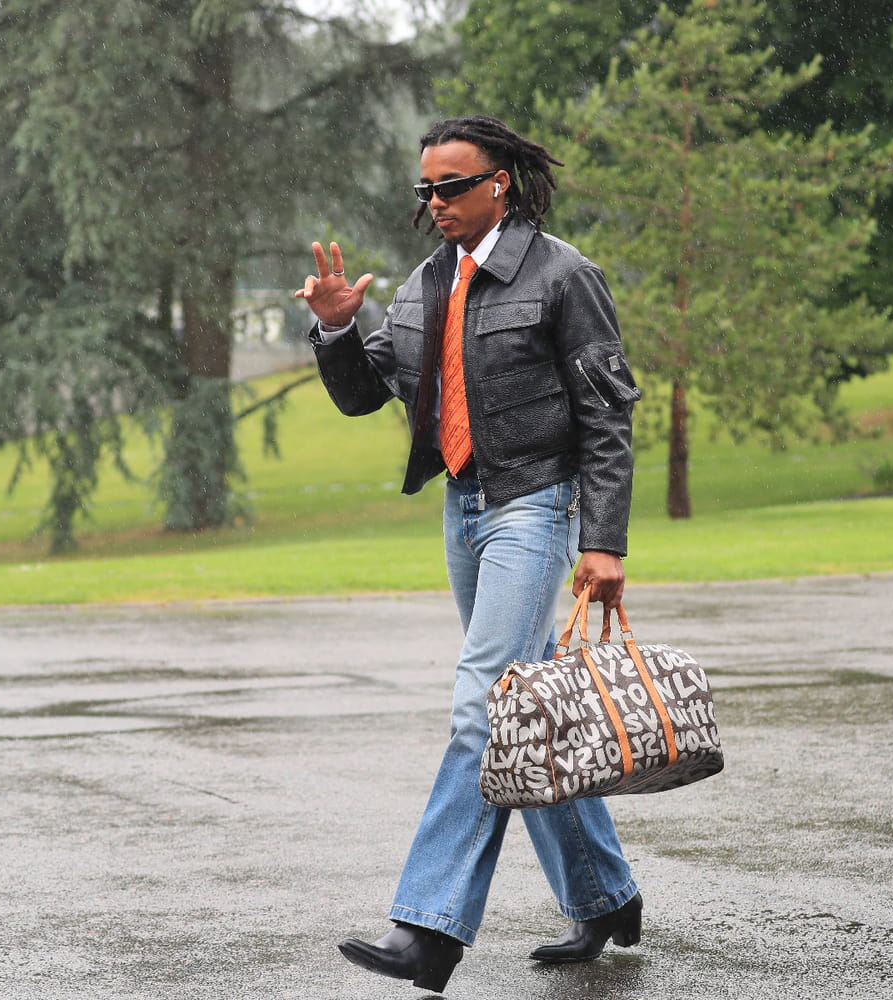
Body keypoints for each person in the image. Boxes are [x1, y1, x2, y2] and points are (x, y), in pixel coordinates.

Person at [294, 115, 643, 993]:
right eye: (427, 189)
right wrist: (337, 331)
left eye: (452, 186)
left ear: (499, 184)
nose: (437, 202)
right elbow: (364, 395)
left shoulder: (563, 274)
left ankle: (430, 928)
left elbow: (607, 415)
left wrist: (602, 541)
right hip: (464, 509)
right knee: (528, 711)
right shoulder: (425, 282)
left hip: (536, 504)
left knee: (484, 708)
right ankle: (604, 895)